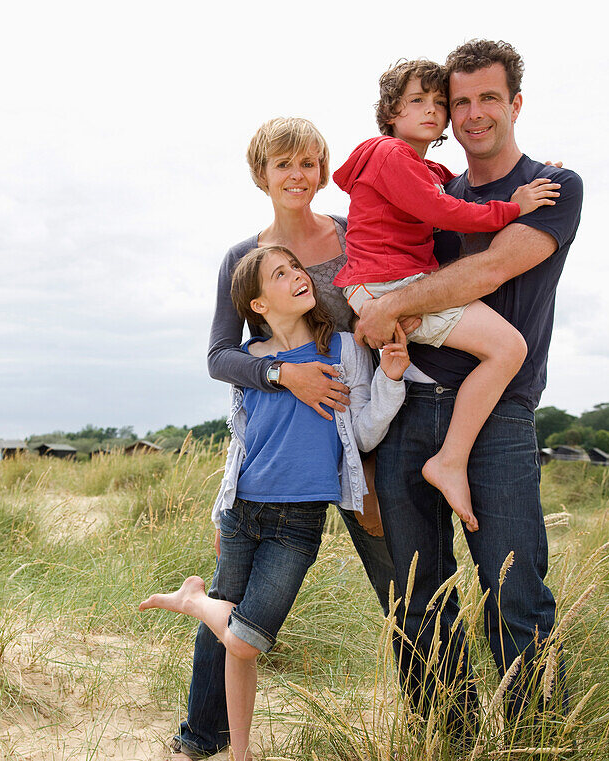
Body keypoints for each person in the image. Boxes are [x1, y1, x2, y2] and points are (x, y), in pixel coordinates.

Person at [354, 39, 584, 737]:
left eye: (490, 98)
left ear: (515, 103)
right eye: (461, 102)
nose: (474, 113)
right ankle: (444, 741)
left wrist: (391, 305)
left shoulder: (553, 188)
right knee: (418, 600)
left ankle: (534, 743)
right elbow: (368, 241)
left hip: (499, 418)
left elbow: (488, 272)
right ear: (447, 114)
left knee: (515, 592)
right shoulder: (434, 190)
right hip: (406, 409)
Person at [174, 117, 403, 761]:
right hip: (280, 459)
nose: (298, 175)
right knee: (230, 601)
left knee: (399, 577)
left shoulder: (354, 236)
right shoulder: (245, 262)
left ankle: (438, 711)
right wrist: (286, 375)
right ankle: (203, 736)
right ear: (261, 175)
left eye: (309, 162)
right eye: (283, 164)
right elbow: (222, 357)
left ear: (324, 169)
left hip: (364, 434)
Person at [332, 58, 560, 530]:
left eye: (439, 102)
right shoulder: (393, 156)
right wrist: (512, 207)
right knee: (507, 347)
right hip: (388, 284)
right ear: (391, 112)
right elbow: (444, 209)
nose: (432, 110)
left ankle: (442, 459)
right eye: (418, 101)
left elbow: (446, 188)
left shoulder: (419, 165)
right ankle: (449, 460)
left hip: (382, 285)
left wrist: (526, 179)